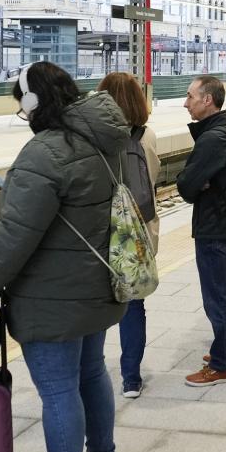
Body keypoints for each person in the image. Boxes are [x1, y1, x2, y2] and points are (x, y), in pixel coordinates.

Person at [0, 62, 126, 452]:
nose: (23, 113)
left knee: (58, 391)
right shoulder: (104, 140)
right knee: (92, 374)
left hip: (53, 293)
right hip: (95, 282)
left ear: (33, 102)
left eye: (21, 105)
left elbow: (15, 234)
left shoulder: (45, 152)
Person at [176, 75, 226, 387]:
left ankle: (221, 365)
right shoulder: (224, 130)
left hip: (213, 225)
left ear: (208, 100)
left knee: (217, 296)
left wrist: (195, 182)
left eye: (191, 96)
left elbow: (186, 185)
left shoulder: (212, 139)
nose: (186, 102)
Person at [97, 72, 160, 398]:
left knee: (93, 306)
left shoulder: (92, 137)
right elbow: (152, 179)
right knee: (134, 306)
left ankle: (91, 370)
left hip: (100, 232)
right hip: (136, 233)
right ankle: (131, 378)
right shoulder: (145, 135)